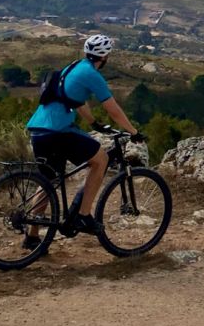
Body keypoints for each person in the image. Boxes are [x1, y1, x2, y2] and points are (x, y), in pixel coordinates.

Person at [22, 34, 143, 250]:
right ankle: (84, 215)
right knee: (101, 160)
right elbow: (113, 109)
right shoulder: (92, 75)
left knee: (48, 182)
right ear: (104, 56)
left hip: (38, 130)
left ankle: (32, 237)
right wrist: (133, 131)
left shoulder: (74, 67)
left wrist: (94, 123)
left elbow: (75, 101)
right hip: (58, 131)